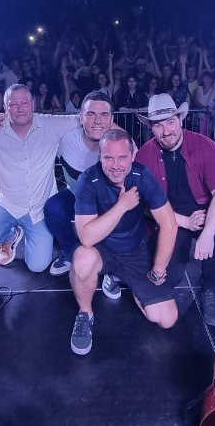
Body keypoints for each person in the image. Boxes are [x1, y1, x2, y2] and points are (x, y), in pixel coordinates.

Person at [69, 129, 179, 355]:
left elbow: (169, 224)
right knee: (82, 260)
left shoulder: (142, 175)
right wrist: (122, 205)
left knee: (166, 319)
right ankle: (85, 314)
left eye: (122, 157)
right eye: (108, 158)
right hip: (101, 248)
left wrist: (158, 269)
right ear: (100, 157)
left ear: (132, 155)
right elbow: (87, 237)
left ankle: (119, 277)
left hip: (134, 250)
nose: (116, 165)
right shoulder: (88, 180)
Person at [0, 84, 79, 273]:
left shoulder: (50, 124)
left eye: (24, 103)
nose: (20, 108)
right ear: (5, 108)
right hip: (7, 204)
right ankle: (10, 236)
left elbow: (90, 119)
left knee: (38, 266)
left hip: (39, 208)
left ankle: (25, 234)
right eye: (13, 104)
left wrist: (120, 136)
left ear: (33, 103)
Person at [134, 94, 215, 327]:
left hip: (204, 210)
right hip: (168, 216)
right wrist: (183, 222)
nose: (165, 131)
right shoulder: (144, 155)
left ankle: (210, 289)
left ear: (180, 119)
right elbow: (145, 204)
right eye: (158, 125)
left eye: (170, 122)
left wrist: (207, 233)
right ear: (151, 127)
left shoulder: (205, 146)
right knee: (166, 279)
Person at [41, 91, 115, 277]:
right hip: (75, 195)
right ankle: (70, 250)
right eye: (90, 114)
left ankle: (113, 261)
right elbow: (33, 126)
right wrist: (5, 120)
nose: (97, 121)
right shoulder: (65, 139)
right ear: (80, 117)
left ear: (111, 119)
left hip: (106, 202)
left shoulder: (120, 144)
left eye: (104, 115)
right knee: (53, 208)